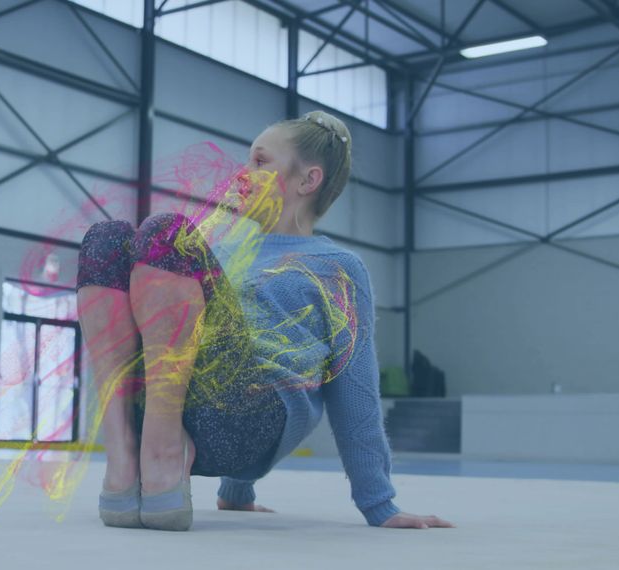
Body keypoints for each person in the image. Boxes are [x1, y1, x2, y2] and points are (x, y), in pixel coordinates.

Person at [76, 110, 454, 531]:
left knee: (166, 232)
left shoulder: (337, 267)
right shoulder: (228, 259)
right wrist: (236, 496)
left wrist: (380, 505)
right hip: (176, 410)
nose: (242, 173)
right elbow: (219, 344)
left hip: (246, 427)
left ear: (307, 181)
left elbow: (354, 389)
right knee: (106, 239)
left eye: (259, 161)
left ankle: (164, 455)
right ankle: (123, 456)